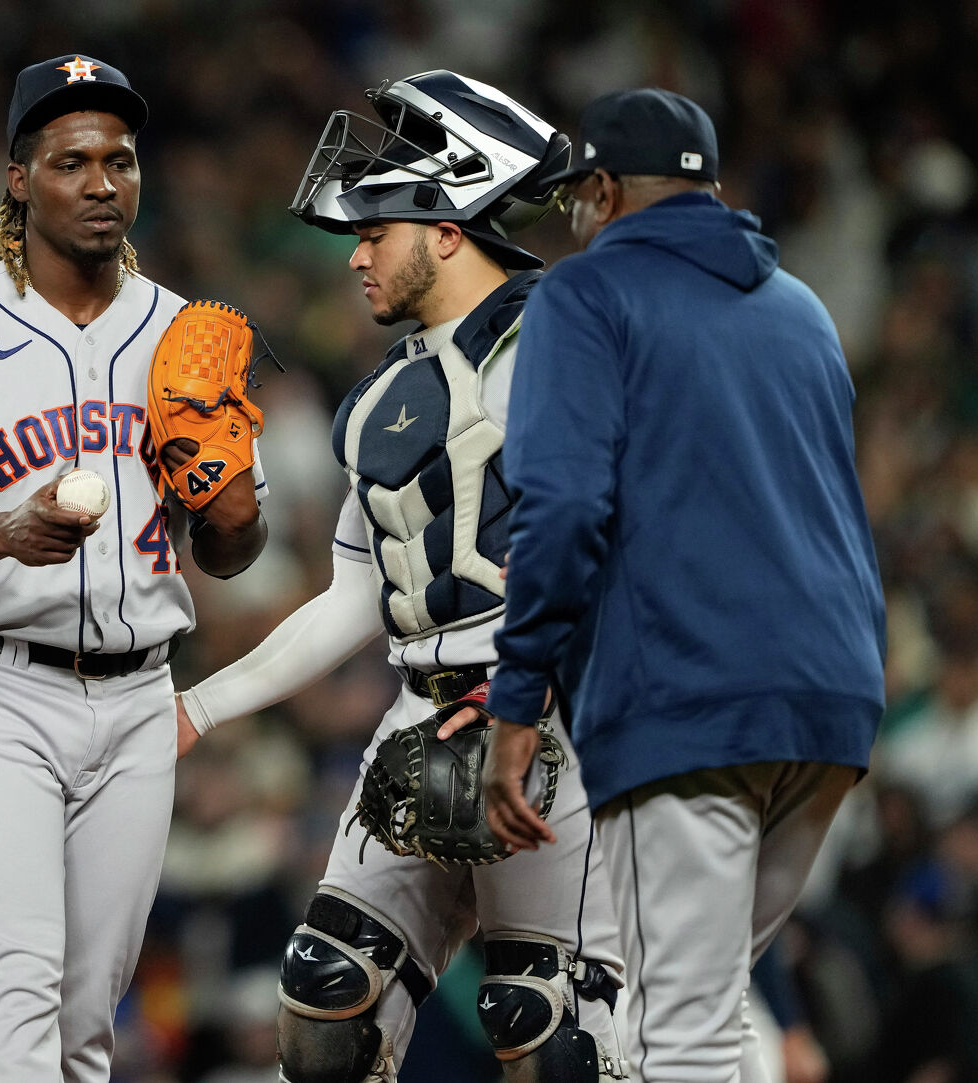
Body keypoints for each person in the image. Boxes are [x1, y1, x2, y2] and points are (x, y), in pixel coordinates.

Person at [178, 71, 627, 1082]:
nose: (356, 252)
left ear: (452, 228)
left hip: (560, 720)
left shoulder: (572, 337)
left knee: (547, 1033)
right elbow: (350, 595)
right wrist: (196, 708)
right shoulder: (383, 391)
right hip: (418, 715)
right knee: (326, 1008)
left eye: (379, 226)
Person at [0, 54, 268, 1080]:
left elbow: (230, 552)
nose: (101, 182)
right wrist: (4, 532)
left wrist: (232, 513)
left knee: (86, 1017)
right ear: (20, 179)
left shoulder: (181, 335)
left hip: (134, 703)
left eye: (119, 160)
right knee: (17, 987)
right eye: (72, 160)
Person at [476, 88, 886, 1083]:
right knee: (705, 1003)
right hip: (828, 702)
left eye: (578, 195)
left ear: (606, 190)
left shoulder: (583, 295)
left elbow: (561, 506)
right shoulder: (800, 308)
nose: (574, 215)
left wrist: (518, 696)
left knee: (679, 1031)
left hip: (688, 695)